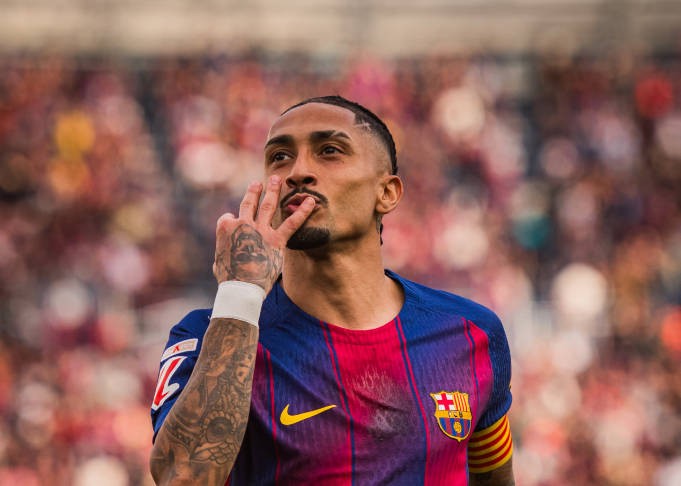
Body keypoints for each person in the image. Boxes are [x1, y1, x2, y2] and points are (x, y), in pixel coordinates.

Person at [149, 95, 515, 485]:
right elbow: (181, 480)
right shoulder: (212, 336)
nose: (298, 172)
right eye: (279, 157)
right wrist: (240, 293)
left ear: (387, 193)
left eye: (329, 151)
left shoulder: (472, 333)